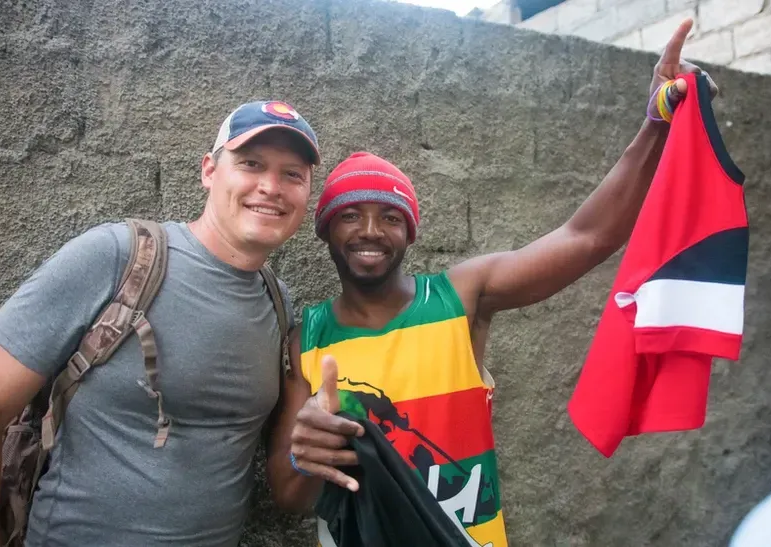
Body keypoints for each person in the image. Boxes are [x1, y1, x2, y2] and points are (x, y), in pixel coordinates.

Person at [262, 18, 720, 547]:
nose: (370, 231)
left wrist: (657, 124)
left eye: (390, 217)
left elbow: (588, 237)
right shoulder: (308, 337)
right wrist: (304, 452)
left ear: (409, 233)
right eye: (350, 215)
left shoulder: (460, 297)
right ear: (325, 230)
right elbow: (288, 495)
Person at [0, 100, 320, 547]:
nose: (271, 187)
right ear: (209, 171)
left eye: (292, 173)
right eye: (250, 164)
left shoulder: (278, 303)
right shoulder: (117, 258)